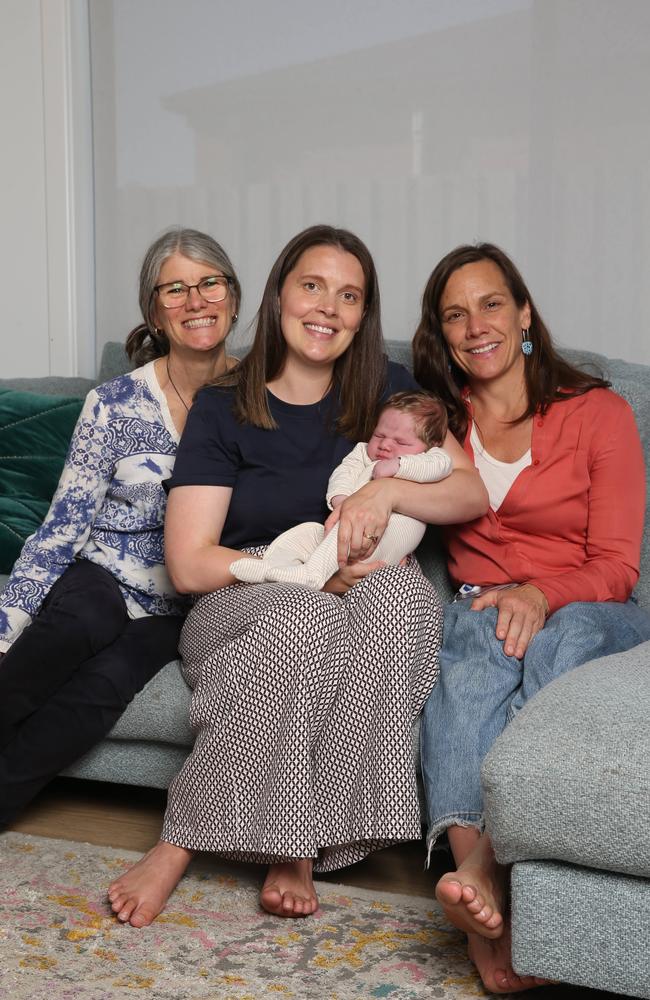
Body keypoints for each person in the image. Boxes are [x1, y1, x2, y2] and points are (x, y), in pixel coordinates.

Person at [106, 224, 488, 928]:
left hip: (341, 597)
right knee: (302, 614)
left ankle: (300, 838)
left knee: (405, 595)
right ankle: (179, 838)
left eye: (349, 296)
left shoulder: (387, 390)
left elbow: (469, 493)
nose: (328, 308)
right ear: (281, 292)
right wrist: (297, 576)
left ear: (363, 315)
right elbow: (191, 563)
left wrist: (386, 492)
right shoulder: (225, 404)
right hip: (240, 604)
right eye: (312, 286)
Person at [413, 242, 650, 994]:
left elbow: (617, 564)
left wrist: (541, 596)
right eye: (455, 314)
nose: (474, 324)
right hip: (481, 603)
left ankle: (484, 865)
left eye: (489, 304)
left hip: (589, 606)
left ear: (522, 314)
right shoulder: (437, 424)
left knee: (560, 649)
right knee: (467, 664)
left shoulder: (599, 414)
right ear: (442, 335)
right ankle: (484, 904)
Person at [0, 226, 241, 826]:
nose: (196, 301)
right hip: (101, 576)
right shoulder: (113, 403)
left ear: (233, 298)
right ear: (155, 313)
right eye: (175, 290)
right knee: (85, 617)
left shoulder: (259, 401)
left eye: (209, 283)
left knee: (103, 688)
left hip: (180, 604)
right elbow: (62, 527)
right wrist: (6, 629)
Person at [229, 389, 452, 590]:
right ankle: (272, 569)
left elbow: (442, 465)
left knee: (349, 526)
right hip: (343, 532)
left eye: (401, 443)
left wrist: (400, 465)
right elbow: (344, 472)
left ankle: (311, 575)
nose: (385, 445)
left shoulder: (430, 458)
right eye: (380, 436)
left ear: (430, 445)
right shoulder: (363, 453)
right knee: (306, 532)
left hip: (388, 536)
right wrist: (342, 500)